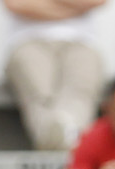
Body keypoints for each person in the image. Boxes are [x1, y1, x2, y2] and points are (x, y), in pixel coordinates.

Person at [6, 0, 107, 152]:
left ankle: (66, 134)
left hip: (81, 42)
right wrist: (74, 8)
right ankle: (59, 136)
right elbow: (16, 4)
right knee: (39, 90)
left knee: (81, 88)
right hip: (28, 41)